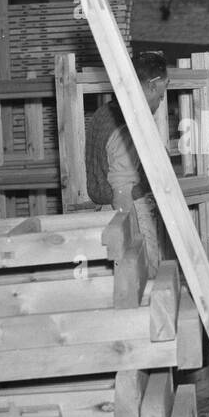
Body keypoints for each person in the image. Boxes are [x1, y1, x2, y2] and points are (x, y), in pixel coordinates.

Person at [84, 50, 168, 277]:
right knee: (147, 274)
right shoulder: (128, 123)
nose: (159, 104)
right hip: (127, 208)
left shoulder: (105, 112)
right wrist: (136, 238)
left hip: (103, 210)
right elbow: (122, 188)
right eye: (160, 96)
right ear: (152, 86)